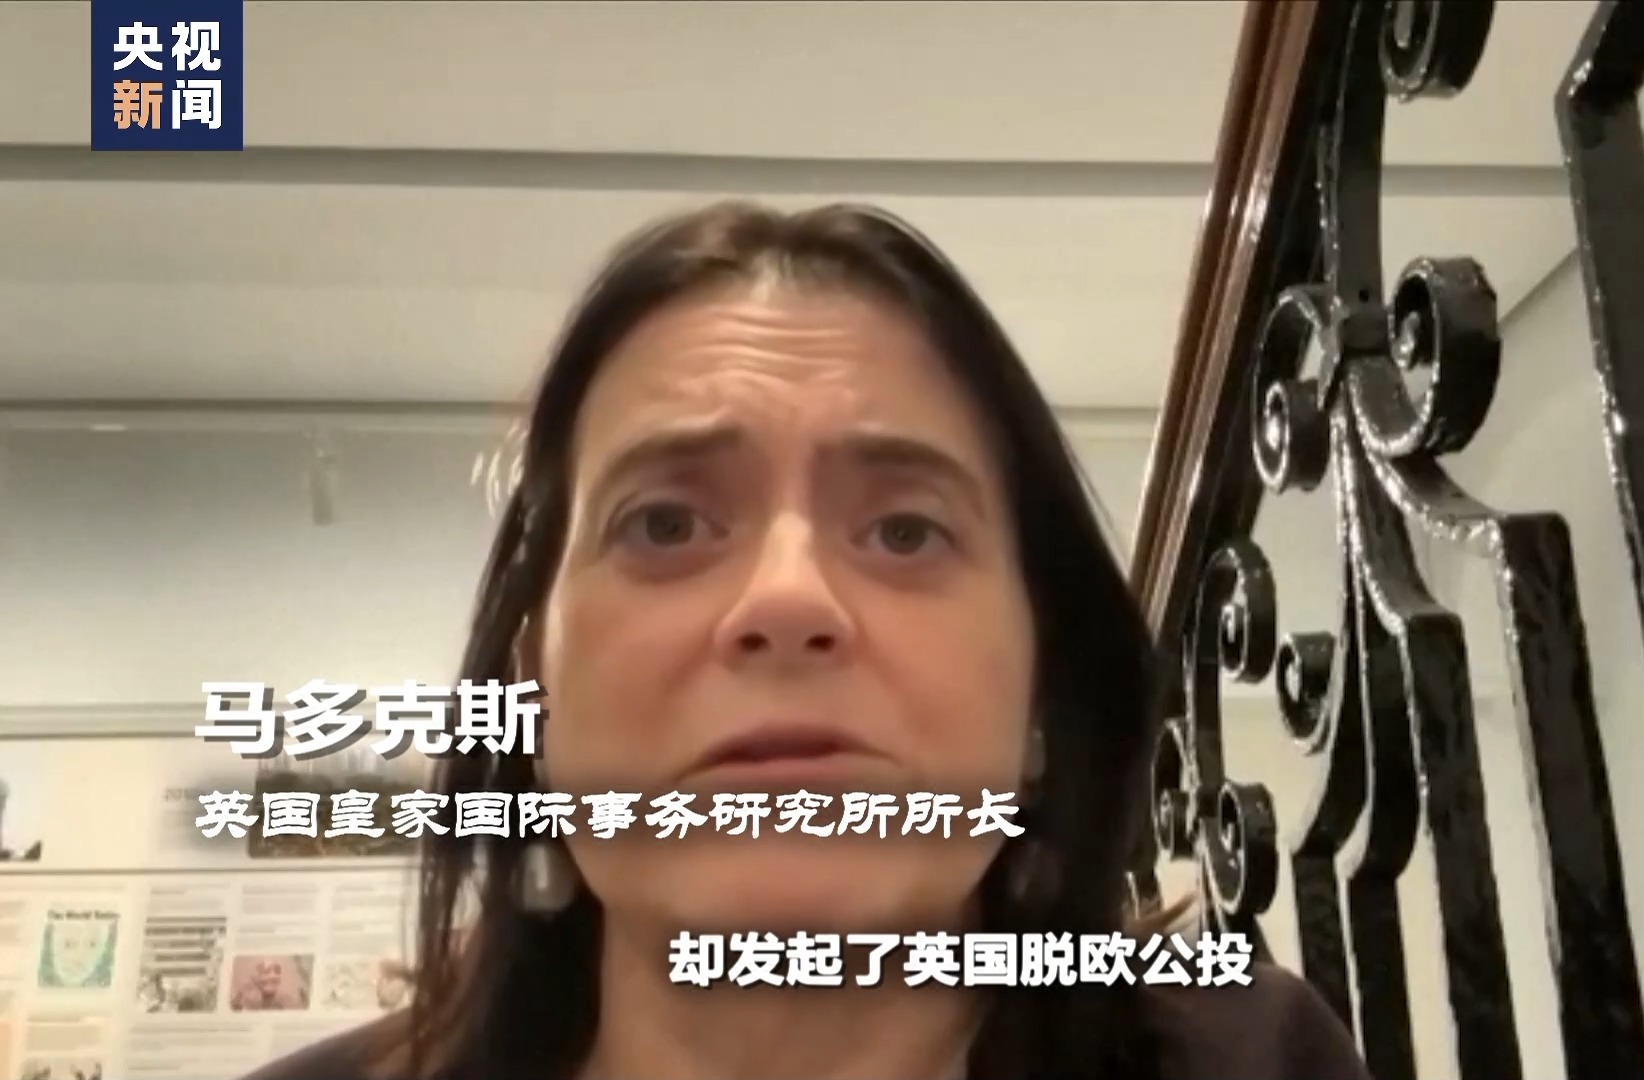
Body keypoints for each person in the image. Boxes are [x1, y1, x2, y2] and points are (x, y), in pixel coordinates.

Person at [241, 202, 1368, 1080]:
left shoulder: (1246, 1061)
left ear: (1040, 694)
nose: (787, 600)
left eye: (906, 530)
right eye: (665, 524)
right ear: (530, 683)